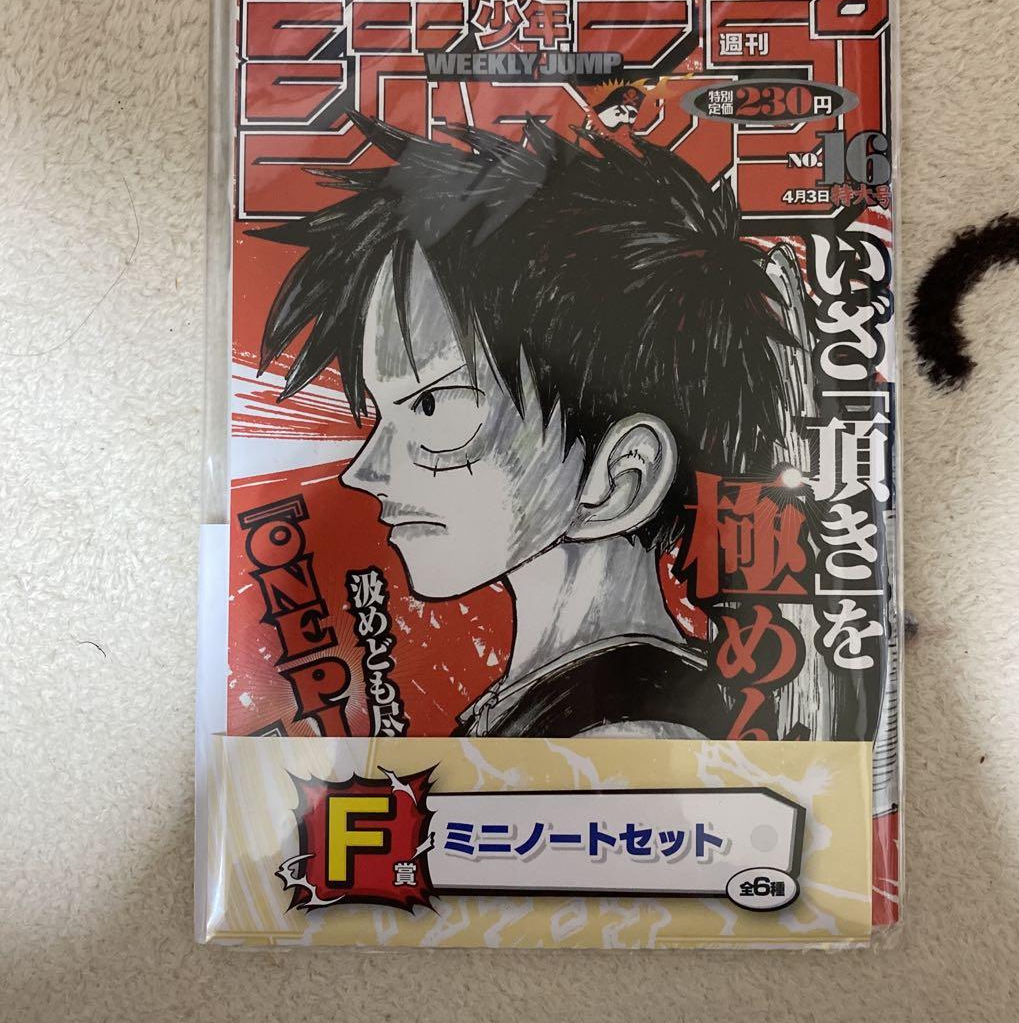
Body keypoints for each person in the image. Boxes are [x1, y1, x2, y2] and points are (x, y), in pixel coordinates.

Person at [255, 111, 800, 738]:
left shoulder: (622, 736)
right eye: (384, 412)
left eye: (431, 408)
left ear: (622, 478)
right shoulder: (563, 701)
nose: (364, 471)